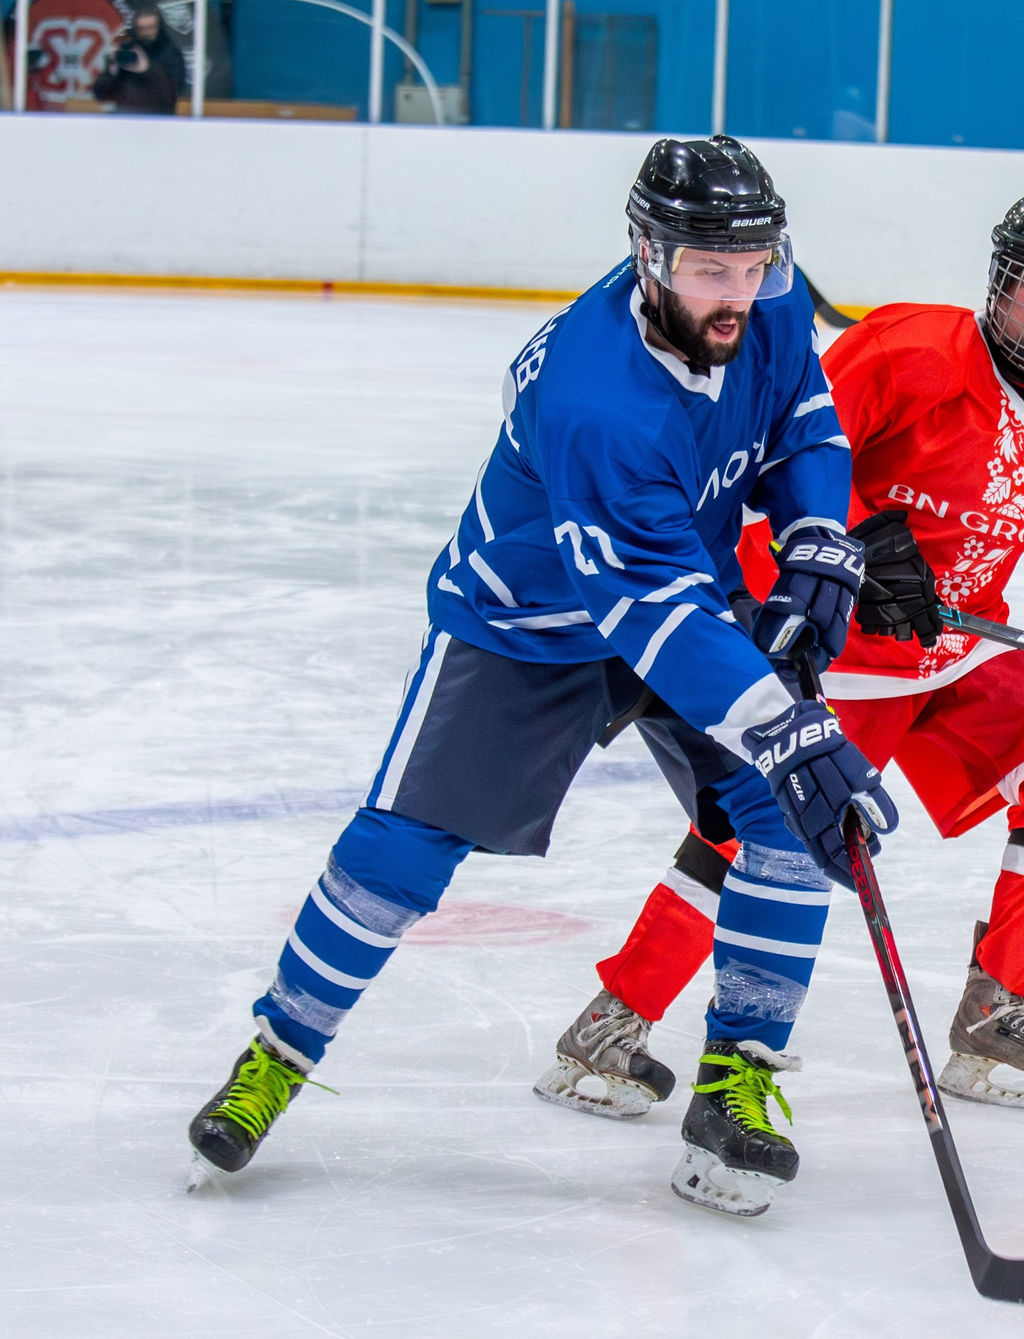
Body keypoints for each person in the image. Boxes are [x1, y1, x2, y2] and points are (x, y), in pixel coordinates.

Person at [185, 136, 898, 1221]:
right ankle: (277, 1052)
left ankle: (733, 1083)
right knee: (402, 853)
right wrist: (780, 722)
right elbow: (644, 610)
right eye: (712, 270)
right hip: (525, 623)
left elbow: (801, 417)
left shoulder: (773, 293)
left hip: (673, 587)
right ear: (649, 255)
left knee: (789, 824)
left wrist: (812, 532)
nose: (740, 292)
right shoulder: (595, 396)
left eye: (754, 266)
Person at [535, 193, 1024, 1145]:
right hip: (838, 654)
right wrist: (845, 556)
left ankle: (996, 1015)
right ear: (1001, 285)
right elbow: (766, 475)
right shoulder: (901, 353)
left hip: (957, 654)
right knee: (763, 834)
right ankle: (609, 1024)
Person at [90, 7, 184, 114]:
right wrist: (112, 70)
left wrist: (146, 69)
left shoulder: (170, 54)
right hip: (126, 116)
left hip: (158, 119)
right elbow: (100, 94)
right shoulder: (128, 51)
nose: (146, 32)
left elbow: (172, 94)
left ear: (159, 27)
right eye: (141, 28)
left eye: (150, 27)